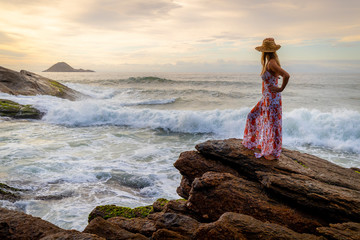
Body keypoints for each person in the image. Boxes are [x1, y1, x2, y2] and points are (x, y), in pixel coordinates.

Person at [242, 38, 290, 160]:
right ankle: (256, 143)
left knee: (272, 124)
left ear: (264, 51)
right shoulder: (270, 62)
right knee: (252, 115)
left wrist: (280, 89)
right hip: (266, 99)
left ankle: (272, 152)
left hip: (272, 99)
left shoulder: (272, 63)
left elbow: (286, 75)